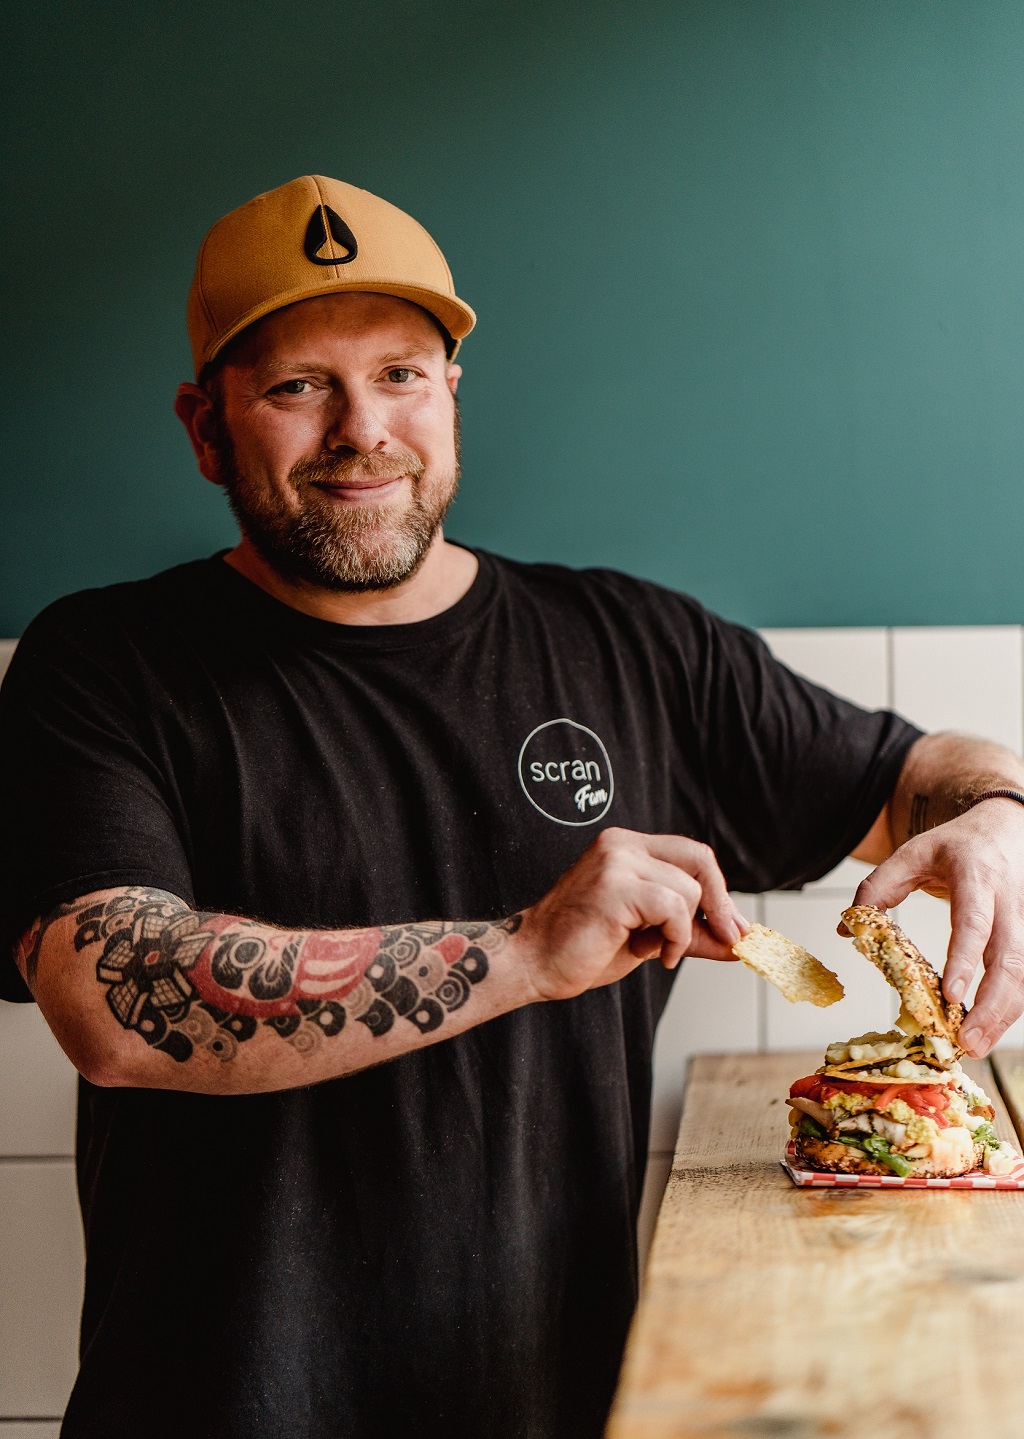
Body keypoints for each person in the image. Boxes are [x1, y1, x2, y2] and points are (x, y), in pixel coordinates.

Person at [2, 174, 1024, 1439]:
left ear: (450, 393)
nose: (359, 430)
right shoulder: (103, 663)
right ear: (206, 426)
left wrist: (995, 813)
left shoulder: (634, 644)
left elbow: (912, 771)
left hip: (558, 1403)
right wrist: (526, 950)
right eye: (295, 385)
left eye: (399, 374)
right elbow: (112, 999)